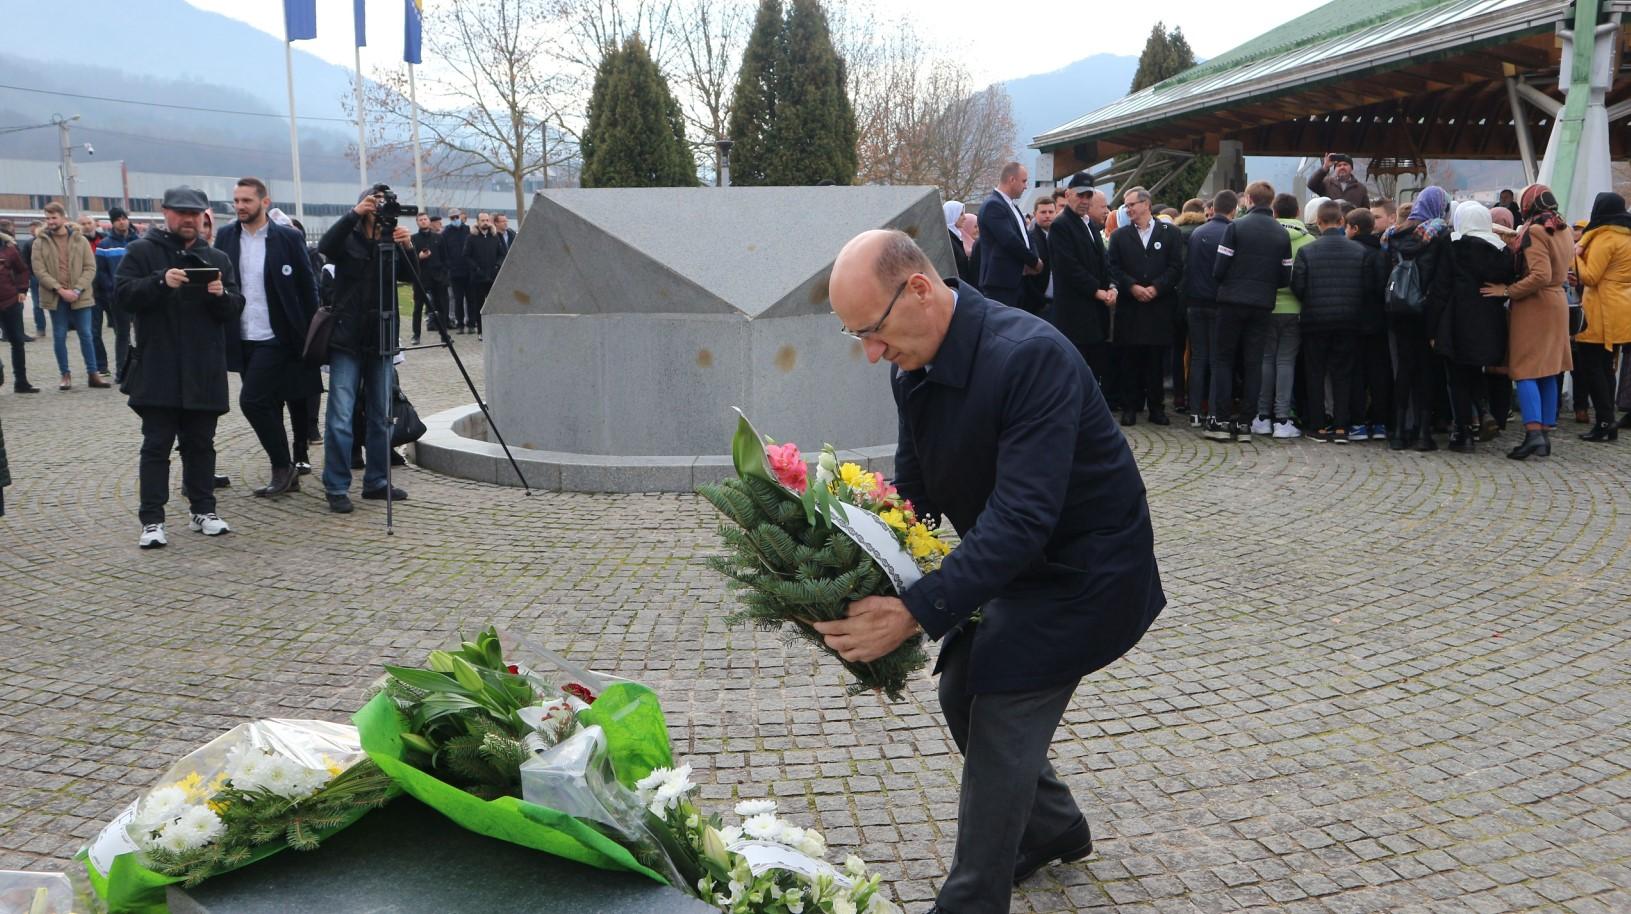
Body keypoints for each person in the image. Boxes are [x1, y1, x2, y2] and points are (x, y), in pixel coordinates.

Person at [818, 228, 1164, 914]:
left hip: (1088, 573)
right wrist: (854, 570)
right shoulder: (910, 368)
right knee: (959, 691)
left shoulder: (1030, 356)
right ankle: (1053, 826)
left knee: (1001, 699)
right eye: (855, 335)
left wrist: (914, 612)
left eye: (874, 330)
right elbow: (914, 500)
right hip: (1021, 568)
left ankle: (970, 902)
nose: (870, 352)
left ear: (918, 288)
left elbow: (1021, 518)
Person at [114, 186, 244, 548]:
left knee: (201, 443)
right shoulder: (141, 251)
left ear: (204, 216)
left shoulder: (216, 256)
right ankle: (152, 520)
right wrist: (160, 282)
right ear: (165, 213)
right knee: (156, 445)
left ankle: (203, 509)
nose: (188, 219)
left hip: (204, 369)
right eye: (181, 212)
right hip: (158, 368)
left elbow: (235, 308)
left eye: (195, 213)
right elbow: (122, 296)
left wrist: (221, 295)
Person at [215, 176, 324, 496]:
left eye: (246, 201)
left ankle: (283, 465)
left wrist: (308, 335)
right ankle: (285, 467)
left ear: (265, 202)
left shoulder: (287, 238)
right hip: (241, 336)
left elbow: (308, 288)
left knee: (251, 400)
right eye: (236, 201)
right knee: (267, 402)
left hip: (277, 336)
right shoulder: (226, 237)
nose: (239, 207)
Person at [317, 188, 416, 512]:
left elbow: (410, 277)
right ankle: (336, 485)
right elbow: (325, 247)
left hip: (382, 338)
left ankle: (376, 481)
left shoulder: (391, 238)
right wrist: (354, 214)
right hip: (348, 337)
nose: (380, 207)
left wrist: (407, 246)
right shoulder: (348, 237)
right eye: (375, 201)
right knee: (341, 415)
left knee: (381, 415)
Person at [1482, 185, 1573, 459]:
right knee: (1548, 369)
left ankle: (1533, 433)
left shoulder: (1534, 231)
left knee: (1525, 369)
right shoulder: (1563, 227)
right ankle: (1542, 433)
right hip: (1557, 301)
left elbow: (1539, 275)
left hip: (1535, 305)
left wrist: (1507, 291)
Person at [1208, 181, 1292, 442]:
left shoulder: (1236, 227)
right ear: (1271, 201)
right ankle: (1246, 423)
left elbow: (1219, 269)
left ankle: (1220, 420)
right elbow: (1285, 277)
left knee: (1223, 359)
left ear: (1248, 201)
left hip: (1231, 301)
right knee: (1254, 362)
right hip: (1263, 304)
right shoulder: (1281, 233)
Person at [1292, 200, 1373, 443]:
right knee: (1343, 373)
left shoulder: (1308, 251)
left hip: (1315, 320)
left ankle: (1318, 426)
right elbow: (1367, 287)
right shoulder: (1360, 252)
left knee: (1315, 373)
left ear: (1318, 222)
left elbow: (1298, 285)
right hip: (1349, 320)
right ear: (1341, 222)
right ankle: (1341, 426)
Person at [1438, 201, 1516, 453]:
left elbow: (1441, 288)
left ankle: (1463, 431)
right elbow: (1507, 284)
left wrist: (1432, 328)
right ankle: (1483, 412)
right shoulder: (1503, 251)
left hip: (1457, 319)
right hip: (1490, 321)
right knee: (1477, 371)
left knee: (1457, 377)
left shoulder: (1453, 245)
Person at [1381, 186, 1453, 451]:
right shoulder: (1440, 234)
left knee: (1404, 370)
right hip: (1426, 311)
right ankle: (1423, 433)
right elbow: (1443, 281)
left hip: (1398, 310)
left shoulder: (1392, 235)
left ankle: (1399, 431)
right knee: (1425, 371)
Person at [1105, 185, 1184, 426]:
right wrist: (1132, 287)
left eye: (1131, 205)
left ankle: (1157, 408)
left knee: (1155, 361)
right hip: (1131, 307)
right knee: (1130, 360)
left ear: (1146, 204)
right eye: (1126, 206)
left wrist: (1157, 287)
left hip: (1159, 307)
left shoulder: (1170, 233)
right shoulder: (1119, 236)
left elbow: (1176, 267)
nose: (1128, 209)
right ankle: (1130, 407)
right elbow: (1114, 268)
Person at [1571, 191, 1631, 442]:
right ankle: (1608, 421)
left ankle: (1605, 421)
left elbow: (1591, 276)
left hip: (1600, 310)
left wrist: (1575, 254)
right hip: (1621, 307)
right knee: (1607, 368)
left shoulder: (1605, 238)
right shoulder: (1626, 237)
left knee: (1593, 368)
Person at [1255, 193, 1313, 439]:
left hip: (1267, 306)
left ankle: (1262, 416)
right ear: (1298, 212)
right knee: (1286, 361)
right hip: (1295, 309)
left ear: (1274, 212)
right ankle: (1282, 418)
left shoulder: (1265, 235)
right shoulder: (1310, 241)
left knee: (1266, 360)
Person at [32, 203, 105, 390]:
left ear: (63, 218)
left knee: (87, 335)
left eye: (53, 218)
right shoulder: (40, 242)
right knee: (59, 335)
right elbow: (39, 270)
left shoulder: (80, 240)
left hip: (80, 295)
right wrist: (59, 289)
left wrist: (77, 289)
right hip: (55, 296)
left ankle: (93, 373)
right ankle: (65, 374)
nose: (50, 222)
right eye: (47, 218)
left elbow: (90, 267)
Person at [1048, 176, 1114, 381]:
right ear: (1068, 195)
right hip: (1075, 313)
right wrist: (1098, 291)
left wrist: (1111, 286)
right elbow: (1069, 268)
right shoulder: (1061, 225)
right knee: (1076, 372)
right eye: (1080, 195)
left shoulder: (1089, 224)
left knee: (1093, 370)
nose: (1085, 200)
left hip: (1093, 312)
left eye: (1088, 195)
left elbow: (1103, 261)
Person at [1183, 190, 1236, 427]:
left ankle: (1194, 412)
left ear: (1212, 209)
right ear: (1233, 210)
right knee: (1217, 360)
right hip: (1218, 303)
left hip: (1195, 302)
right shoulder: (1230, 232)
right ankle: (1214, 411)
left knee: (1197, 358)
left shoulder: (1197, 233)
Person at [1344, 208, 1393, 441]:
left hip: (1353, 320)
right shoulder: (1381, 253)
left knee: (1356, 372)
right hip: (1378, 321)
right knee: (1378, 372)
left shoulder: (1351, 252)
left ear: (1353, 228)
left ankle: (1357, 423)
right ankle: (1381, 422)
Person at [975, 161, 1041, 308]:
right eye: (1024, 181)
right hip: (1000, 284)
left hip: (1016, 282)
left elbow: (1026, 236)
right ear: (1012, 180)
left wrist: (1034, 257)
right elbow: (1009, 240)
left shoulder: (1012, 206)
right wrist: (1034, 261)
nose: (1026, 186)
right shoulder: (993, 205)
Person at [95, 207, 141, 382]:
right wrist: (112, 289)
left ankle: (142, 368)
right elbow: (101, 272)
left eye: (124, 218)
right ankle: (121, 370)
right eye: (117, 219)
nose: (122, 222)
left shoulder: (138, 242)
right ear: (112, 222)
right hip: (118, 297)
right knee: (122, 334)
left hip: (138, 294)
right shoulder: (104, 245)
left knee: (141, 332)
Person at [0, 224, 37, 392]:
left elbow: (22, 270)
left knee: (17, 341)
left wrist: (22, 289)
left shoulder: (9, 248)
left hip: (10, 301)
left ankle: (21, 382)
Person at [410, 211, 449, 345]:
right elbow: (409, 260)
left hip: (438, 278)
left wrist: (444, 275)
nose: (423, 221)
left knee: (441, 308)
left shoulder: (438, 237)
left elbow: (445, 258)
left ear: (429, 221)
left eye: (425, 219)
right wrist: (418, 258)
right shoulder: (413, 239)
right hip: (421, 278)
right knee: (418, 308)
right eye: (420, 220)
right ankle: (416, 335)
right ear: (417, 222)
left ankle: (444, 335)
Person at [463, 212, 503, 340]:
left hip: (492, 277)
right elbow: (466, 256)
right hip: (478, 278)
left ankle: (494, 330)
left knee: (494, 306)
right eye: (482, 220)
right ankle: (481, 331)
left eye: (487, 220)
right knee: (479, 306)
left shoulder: (495, 237)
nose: (485, 222)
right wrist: (476, 268)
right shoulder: (471, 238)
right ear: (478, 222)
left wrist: (497, 266)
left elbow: (502, 254)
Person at [1021, 195, 1056, 316]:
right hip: (1038, 304)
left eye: (1051, 212)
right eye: (1043, 212)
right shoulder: (1029, 238)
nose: (1047, 215)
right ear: (1035, 214)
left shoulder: (1061, 237)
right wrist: (1040, 300)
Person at [442, 208, 472, 331]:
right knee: (457, 299)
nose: (455, 219)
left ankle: (471, 323)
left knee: (471, 299)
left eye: (456, 217)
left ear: (460, 217)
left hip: (469, 271)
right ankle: (459, 323)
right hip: (454, 272)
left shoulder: (468, 230)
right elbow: (444, 251)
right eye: (452, 218)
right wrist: (449, 266)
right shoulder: (446, 232)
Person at [17, 220, 43, 340]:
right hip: (34, 276)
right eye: (31, 230)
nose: (32, 232)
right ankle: (41, 328)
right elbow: (25, 262)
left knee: (42, 303)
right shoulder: (28, 244)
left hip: (40, 276)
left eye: (33, 229)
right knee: (37, 304)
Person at [944, 201, 976, 286]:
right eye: (961, 214)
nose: (964, 218)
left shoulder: (956, 236)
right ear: (952, 215)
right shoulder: (948, 240)